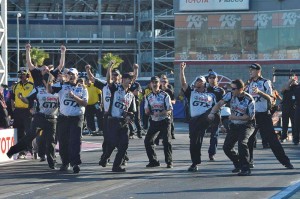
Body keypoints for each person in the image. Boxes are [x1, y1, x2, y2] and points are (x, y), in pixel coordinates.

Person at [246, 63, 294, 169]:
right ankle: (248, 162)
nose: (250, 71)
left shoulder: (265, 82)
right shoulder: (248, 84)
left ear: (258, 71)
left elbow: (271, 99)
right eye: (250, 70)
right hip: (252, 116)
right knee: (248, 139)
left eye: (252, 70)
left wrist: (259, 92)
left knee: (272, 140)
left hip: (263, 115)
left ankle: (286, 162)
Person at [7, 75, 58, 169]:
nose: (50, 82)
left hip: (52, 118)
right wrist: (22, 98)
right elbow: (28, 99)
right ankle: (12, 151)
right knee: (30, 136)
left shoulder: (58, 89)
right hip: (40, 117)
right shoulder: (38, 89)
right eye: (48, 80)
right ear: (43, 81)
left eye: (52, 80)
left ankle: (52, 162)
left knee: (51, 141)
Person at [209, 79, 255, 176]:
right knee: (227, 147)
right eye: (231, 88)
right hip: (235, 124)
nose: (232, 91)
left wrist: (235, 117)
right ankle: (238, 164)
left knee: (242, 143)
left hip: (247, 125)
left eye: (234, 89)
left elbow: (250, 117)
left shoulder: (249, 99)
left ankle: (246, 168)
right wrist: (212, 113)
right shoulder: (230, 95)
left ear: (241, 89)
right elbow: (219, 104)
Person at [98, 63, 136, 172]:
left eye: (131, 79)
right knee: (112, 143)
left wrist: (129, 116)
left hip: (123, 122)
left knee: (124, 144)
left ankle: (116, 166)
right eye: (128, 79)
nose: (130, 81)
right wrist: (109, 68)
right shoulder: (115, 88)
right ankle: (104, 158)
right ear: (123, 80)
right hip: (112, 120)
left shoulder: (131, 95)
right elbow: (109, 81)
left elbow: (132, 111)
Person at [180, 62, 217, 172]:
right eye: (197, 80)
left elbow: (217, 106)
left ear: (204, 83)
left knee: (213, 111)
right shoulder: (192, 93)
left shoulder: (211, 95)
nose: (198, 82)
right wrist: (182, 70)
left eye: (200, 80)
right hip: (194, 120)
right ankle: (195, 162)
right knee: (194, 142)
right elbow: (183, 83)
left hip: (206, 118)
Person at [50, 68, 88, 173]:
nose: (71, 76)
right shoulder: (62, 85)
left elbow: (84, 103)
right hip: (63, 117)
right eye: (69, 74)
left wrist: (74, 96)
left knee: (75, 141)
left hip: (76, 117)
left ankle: (75, 163)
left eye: (73, 75)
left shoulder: (82, 88)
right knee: (63, 141)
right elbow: (50, 90)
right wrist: (50, 78)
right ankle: (65, 162)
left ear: (77, 76)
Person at [144, 76, 173, 168]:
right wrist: (148, 111)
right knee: (148, 141)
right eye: (153, 82)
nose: (155, 84)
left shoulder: (165, 95)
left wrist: (160, 113)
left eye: (156, 82)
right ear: (150, 84)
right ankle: (153, 161)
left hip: (164, 120)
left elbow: (169, 110)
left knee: (166, 141)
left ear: (159, 84)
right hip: (154, 121)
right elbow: (146, 110)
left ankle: (169, 162)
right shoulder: (148, 96)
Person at [10, 69, 34, 158]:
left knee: (28, 130)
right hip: (18, 110)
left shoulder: (32, 85)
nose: (21, 76)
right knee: (19, 131)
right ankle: (22, 151)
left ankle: (30, 149)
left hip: (27, 111)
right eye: (20, 75)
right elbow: (12, 97)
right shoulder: (16, 86)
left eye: (23, 74)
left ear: (27, 75)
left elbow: (34, 98)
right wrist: (13, 108)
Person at [206, 70, 225, 161]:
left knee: (214, 135)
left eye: (214, 78)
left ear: (217, 79)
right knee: (199, 133)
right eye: (210, 78)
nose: (212, 79)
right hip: (204, 113)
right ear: (208, 79)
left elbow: (222, 103)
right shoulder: (204, 89)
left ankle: (212, 153)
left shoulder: (220, 90)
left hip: (215, 114)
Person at [282, 75, 300, 145]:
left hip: (294, 108)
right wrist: (290, 81)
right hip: (290, 107)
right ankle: (295, 139)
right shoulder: (292, 87)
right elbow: (285, 88)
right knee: (293, 123)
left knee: (294, 124)